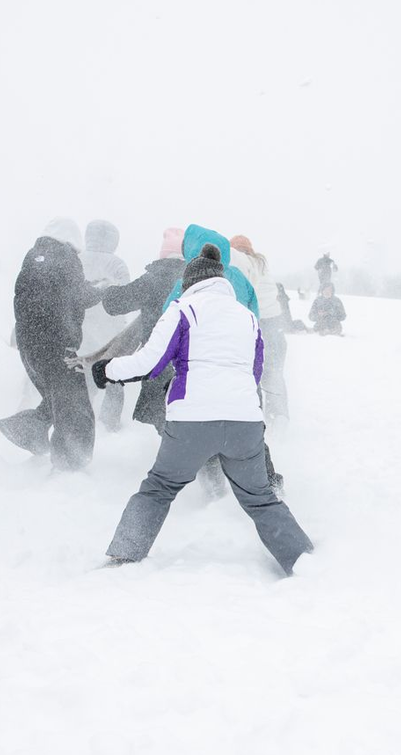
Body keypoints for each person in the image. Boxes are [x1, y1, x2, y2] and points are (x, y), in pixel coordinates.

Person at [93, 243, 313, 575]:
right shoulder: (246, 317)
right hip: (244, 423)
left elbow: (149, 363)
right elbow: (254, 371)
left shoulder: (183, 309)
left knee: (159, 488)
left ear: (190, 282)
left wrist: (106, 370)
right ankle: (302, 560)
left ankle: (125, 554)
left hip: (191, 423)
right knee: (261, 499)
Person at [0, 218, 102, 466]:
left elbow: (47, 293)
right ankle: (70, 467)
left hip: (30, 346)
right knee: (75, 408)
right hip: (57, 344)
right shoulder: (65, 256)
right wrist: (104, 291)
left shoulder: (34, 256)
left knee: (60, 398)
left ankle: (29, 428)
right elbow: (77, 294)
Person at [99, 228, 186, 433]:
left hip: (158, 362)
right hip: (191, 363)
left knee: (163, 422)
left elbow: (115, 304)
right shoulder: (196, 280)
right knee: (187, 421)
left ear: (163, 253)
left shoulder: (154, 279)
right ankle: (204, 462)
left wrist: (108, 289)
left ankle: (174, 460)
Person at [79, 219, 131, 432]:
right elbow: (126, 299)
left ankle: (82, 423)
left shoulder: (76, 259)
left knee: (84, 381)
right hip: (109, 333)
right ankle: (109, 427)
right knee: (112, 380)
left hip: (81, 332)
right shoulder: (117, 264)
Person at [231, 234, 289, 422]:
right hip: (274, 325)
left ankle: (255, 421)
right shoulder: (263, 267)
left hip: (254, 325)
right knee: (274, 374)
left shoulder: (239, 265)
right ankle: (279, 417)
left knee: (251, 377)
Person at [165, 225, 259, 315]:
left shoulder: (187, 281)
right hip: (240, 328)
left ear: (192, 250)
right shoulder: (238, 275)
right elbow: (253, 306)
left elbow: (168, 314)